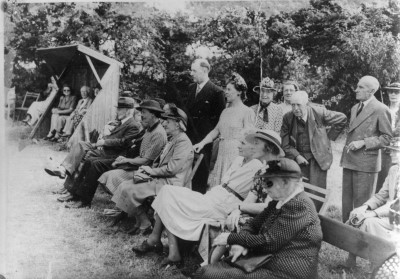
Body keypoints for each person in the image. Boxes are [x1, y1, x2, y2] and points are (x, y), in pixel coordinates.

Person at [131, 130, 283, 268]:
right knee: (167, 194)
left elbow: (269, 206)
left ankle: (158, 242)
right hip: (216, 197)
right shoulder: (253, 166)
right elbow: (247, 197)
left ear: (267, 148)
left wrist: (238, 209)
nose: (240, 146)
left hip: (225, 204)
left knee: (168, 195)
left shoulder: (264, 169)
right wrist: (238, 208)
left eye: (254, 143)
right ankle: (168, 248)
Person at [193, 158, 322, 279]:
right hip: (266, 260)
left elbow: (269, 242)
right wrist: (239, 243)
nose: (264, 187)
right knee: (207, 272)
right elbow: (253, 225)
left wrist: (231, 238)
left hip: (288, 271)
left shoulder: (299, 205)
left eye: (269, 183)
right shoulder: (280, 201)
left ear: (285, 182)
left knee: (209, 274)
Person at [106, 107, 193, 233]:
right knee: (125, 185)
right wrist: (148, 170)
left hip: (171, 183)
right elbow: (160, 162)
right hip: (162, 179)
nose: (164, 123)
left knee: (129, 188)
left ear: (178, 124)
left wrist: (151, 171)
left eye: (168, 121)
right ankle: (142, 221)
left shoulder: (183, 142)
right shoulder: (174, 139)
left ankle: (144, 223)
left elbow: (172, 169)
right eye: (165, 121)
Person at [44, 97, 142, 199]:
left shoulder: (133, 125)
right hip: (104, 148)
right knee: (81, 145)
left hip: (112, 153)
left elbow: (124, 142)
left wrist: (104, 142)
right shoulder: (122, 122)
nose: (117, 111)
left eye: (120, 109)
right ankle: (64, 171)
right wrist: (102, 140)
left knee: (84, 156)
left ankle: (69, 187)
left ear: (128, 111)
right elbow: (114, 137)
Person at [341, 75, 393, 226]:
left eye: (360, 87)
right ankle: (346, 234)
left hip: (366, 165)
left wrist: (363, 142)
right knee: (346, 203)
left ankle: (358, 239)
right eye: (357, 86)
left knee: (361, 205)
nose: (356, 90)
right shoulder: (354, 108)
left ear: (371, 91)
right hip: (349, 161)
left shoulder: (381, 109)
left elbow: (386, 138)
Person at [281, 91, 346, 210]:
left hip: (318, 159)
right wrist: (296, 156)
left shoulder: (319, 113)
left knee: (316, 193)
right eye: (293, 105)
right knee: (296, 191)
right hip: (298, 159)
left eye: (298, 105)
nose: (295, 109)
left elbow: (342, 118)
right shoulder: (288, 118)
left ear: (307, 104)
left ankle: (315, 220)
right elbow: (285, 144)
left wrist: (329, 137)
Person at [194, 73, 255, 187]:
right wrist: (202, 143)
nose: (225, 92)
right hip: (222, 154)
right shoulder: (225, 111)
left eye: (228, 89)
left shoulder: (247, 112)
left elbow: (249, 137)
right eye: (225, 89)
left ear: (239, 92)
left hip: (236, 155)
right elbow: (216, 131)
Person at [97, 100, 167, 197]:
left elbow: (146, 161)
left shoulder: (158, 133)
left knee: (108, 176)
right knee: (104, 177)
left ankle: (125, 205)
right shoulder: (149, 129)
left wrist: (126, 160)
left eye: (144, 112)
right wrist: (124, 159)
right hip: (139, 167)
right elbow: (142, 154)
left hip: (146, 172)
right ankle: (121, 204)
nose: (141, 115)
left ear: (153, 114)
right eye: (141, 112)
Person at [185, 58, 226, 194]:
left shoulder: (217, 92)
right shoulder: (191, 89)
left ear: (205, 70)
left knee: (200, 175)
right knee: (185, 172)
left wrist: (208, 140)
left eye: (194, 70)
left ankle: (197, 202)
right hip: (188, 137)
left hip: (205, 140)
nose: (191, 73)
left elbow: (219, 122)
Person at [349, 139, 400, 238]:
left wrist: (372, 213)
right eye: (391, 150)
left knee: (368, 222)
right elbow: (381, 196)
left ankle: (373, 251)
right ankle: (358, 252)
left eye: (396, 151)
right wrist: (363, 208)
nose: (391, 154)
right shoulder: (394, 170)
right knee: (357, 216)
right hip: (390, 215)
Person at [376, 82, 400, 193]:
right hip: (382, 148)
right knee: (381, 178)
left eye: (397, 92)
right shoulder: (382, 109)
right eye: (391, 91)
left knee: (395, 181)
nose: (393, 94)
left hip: (397, 150)